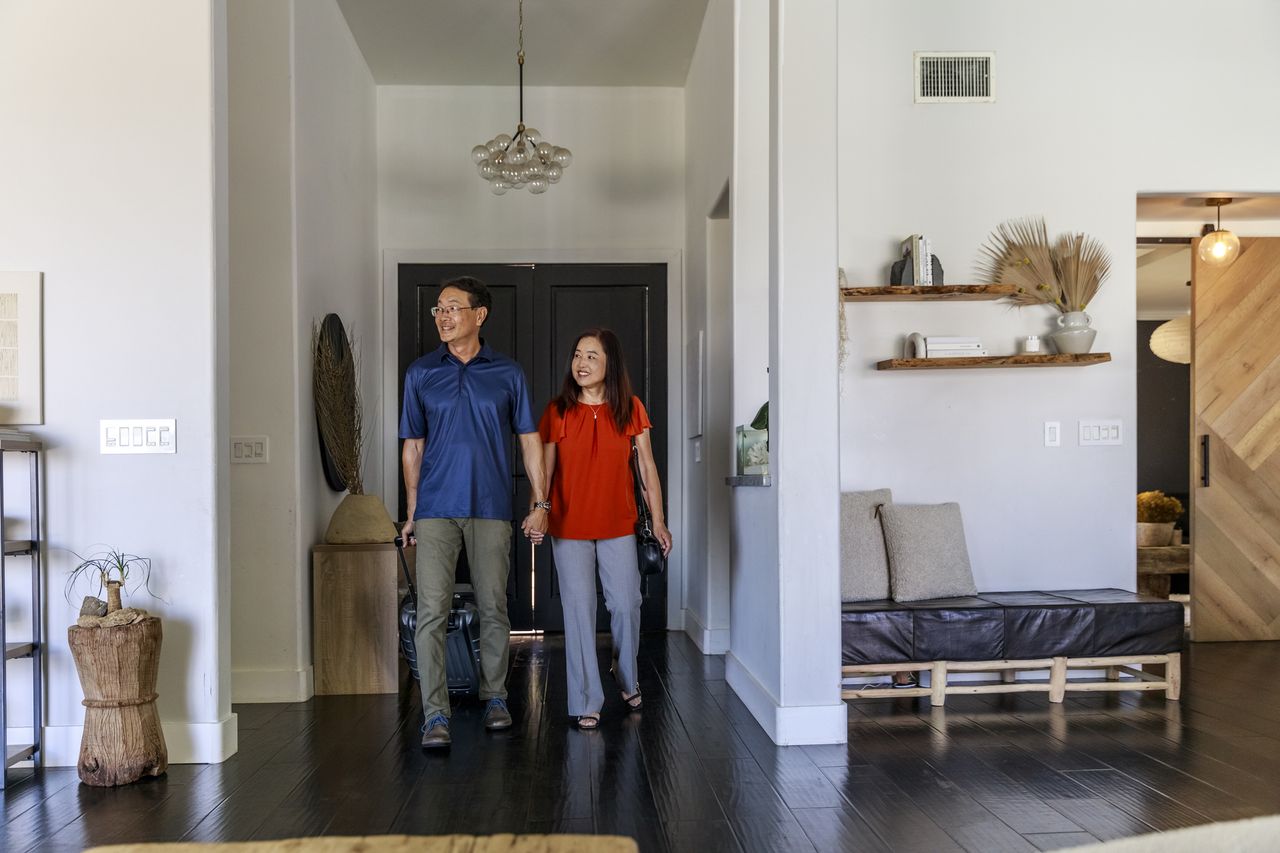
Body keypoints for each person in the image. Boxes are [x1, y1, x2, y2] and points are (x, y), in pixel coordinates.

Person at [400, 276, 548, 750]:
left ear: (479, 315)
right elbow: (413, 447)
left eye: (453, 308)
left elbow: (529, 441)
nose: (443, 317)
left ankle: (496, 697)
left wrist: (540, 502)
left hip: (490, 506)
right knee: (430, 612)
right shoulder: (421, 373)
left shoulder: (507, 373)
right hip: (436, 510)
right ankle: (435, 714)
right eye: (438, 310)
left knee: (494, 607)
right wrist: (411, 511)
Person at [538, 328, 672, 730]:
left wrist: (659, 520)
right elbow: (544, 470)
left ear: (610, 364)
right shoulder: (557, 412)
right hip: (569, 525)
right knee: (579, 611)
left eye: (592, 356)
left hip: (619, 524)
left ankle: (624, 673)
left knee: (627, 604)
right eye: (578, 355)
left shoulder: (629, 408)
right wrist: (539, 509)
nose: (581, 363)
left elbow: (647, 468)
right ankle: (585, 699)